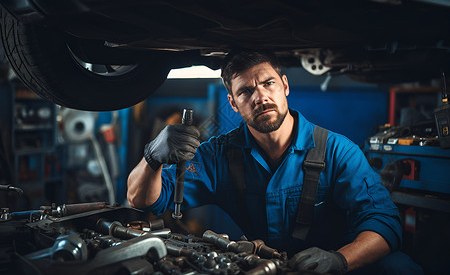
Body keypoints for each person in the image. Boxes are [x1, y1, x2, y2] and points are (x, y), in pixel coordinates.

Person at [127, 50, 423, 274]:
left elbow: (384, 223)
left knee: (400, 266)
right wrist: (152, 156)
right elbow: (143, 199)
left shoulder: (336, 151)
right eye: (246, 91)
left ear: (284, 86)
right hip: (267, 265)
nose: (260, 97)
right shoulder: (218, 155)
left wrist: (340, 260)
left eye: (268, 83)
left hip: (340, 265)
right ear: (233, 102)